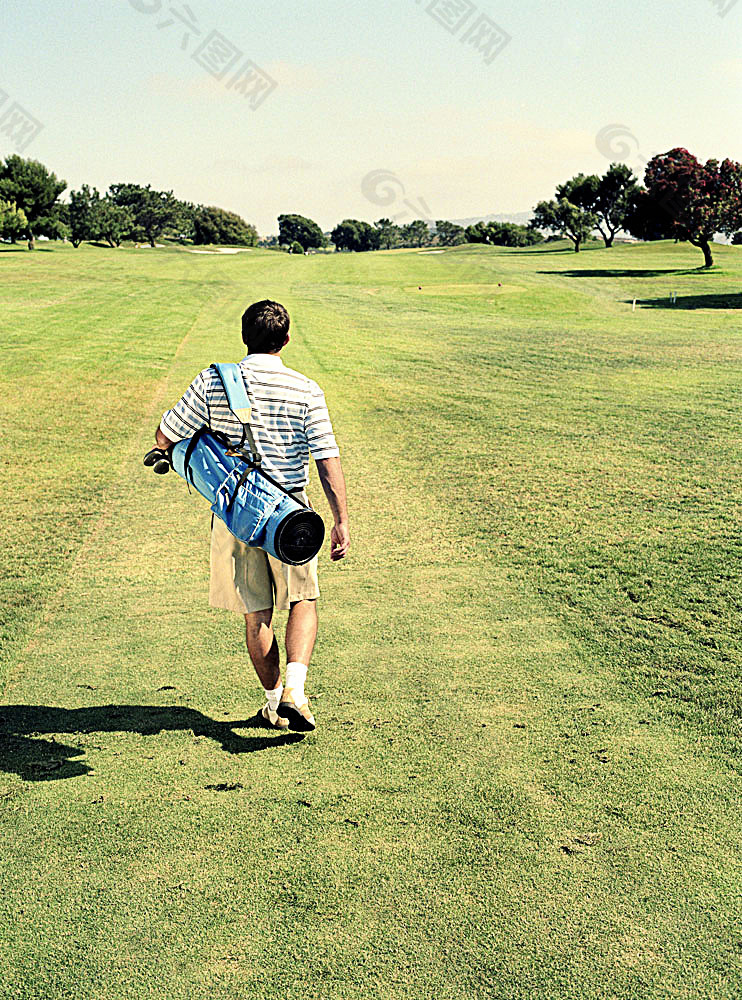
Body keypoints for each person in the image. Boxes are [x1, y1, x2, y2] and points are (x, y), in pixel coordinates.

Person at [155, 300, 349, 733]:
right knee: (302, 600)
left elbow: (166, 434)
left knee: (255, 613)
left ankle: (273, 703)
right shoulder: (306, 388)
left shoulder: (213, 381)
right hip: (292, 517)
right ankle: (296, 692)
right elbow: (326, 457)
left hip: (236, 515)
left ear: (245, 338)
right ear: (285, 339)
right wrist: (340, 519)